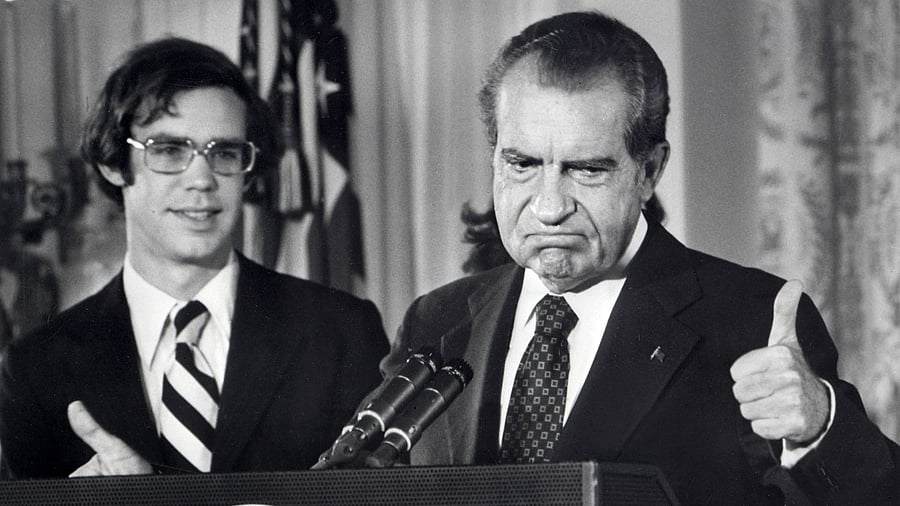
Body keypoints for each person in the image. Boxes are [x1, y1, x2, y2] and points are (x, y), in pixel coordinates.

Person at [382, 11, 900, 505]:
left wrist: (819, 428)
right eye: (522, 163)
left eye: (585, 170)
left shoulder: (750, 321)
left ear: (648, 171)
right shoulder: (437, 321)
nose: (548, 206)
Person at [0, 38, 389, 479]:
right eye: (169, 151)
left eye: (223, 153)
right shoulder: (35, 369)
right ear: (113, 163)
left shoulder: (341, 332)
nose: (202, 179)